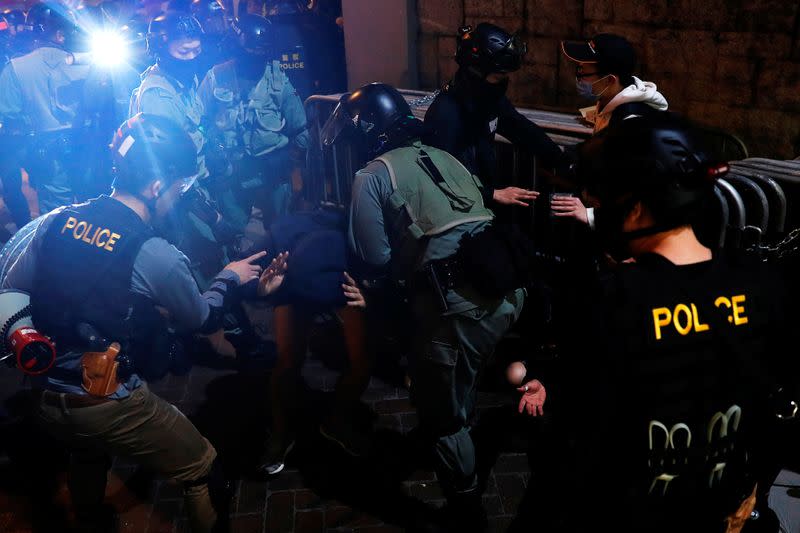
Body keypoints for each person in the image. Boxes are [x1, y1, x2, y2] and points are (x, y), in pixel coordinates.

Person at [1, 113, 289, 533]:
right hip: (103, 401)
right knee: (203, 469)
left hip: (46, 395)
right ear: (157, 187)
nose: (181, 194)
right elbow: (201, 318)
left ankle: (88, 519)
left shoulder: (57, 218)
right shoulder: (152, 251)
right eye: (182, 186)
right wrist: (232, 277)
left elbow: (10, 283)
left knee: (88, 453)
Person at [525, 112, 788, 533]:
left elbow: (578, 449)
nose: (596, 207)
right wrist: (751, 490)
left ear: (635, 207)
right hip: (721, 512)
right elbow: (775, 402)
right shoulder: (764, 286)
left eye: (602, 198)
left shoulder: (612, 302)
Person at [325, 82, 526, 531]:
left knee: (442, 420)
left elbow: (373, 256)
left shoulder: (371, 176)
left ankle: (467, 507)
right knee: (460, 376)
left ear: (367, 131)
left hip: (459, 308)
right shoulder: (442, 155)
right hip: (508, 291)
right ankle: (462, 407)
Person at [423, 22, 572, 209]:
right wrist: (491, 194)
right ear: (475, 73)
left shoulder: (487, 99)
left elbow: (521, 129)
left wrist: (562, 160)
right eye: (497, 78)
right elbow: (440, 177)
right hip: (461, 211)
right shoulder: (446, 115)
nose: (502, 84)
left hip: (484, 199)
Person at [198, 12, 308, 233]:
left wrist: (290, 160)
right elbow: (199, 120)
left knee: (281, 231)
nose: (255, 59)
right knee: (232, 231)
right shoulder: (215, 77)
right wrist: (211, 155)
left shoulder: (277, 78)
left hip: (272, 171)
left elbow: (301, 129)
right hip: (231, 172)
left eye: (260, 53)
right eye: (250, 53)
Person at [552, 32, 669, 226]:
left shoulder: (632, 123)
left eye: (583, 72)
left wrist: (590, 216)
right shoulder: (610, 104)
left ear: (609, 80)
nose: (578, 77)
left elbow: (642, 197)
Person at [0, 2, 91, 214]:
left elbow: (7, 112)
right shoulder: (89, 61)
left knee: (57, 215)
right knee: (95, 203)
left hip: (47, 154)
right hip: (89, 146)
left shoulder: (16, 67)